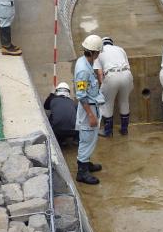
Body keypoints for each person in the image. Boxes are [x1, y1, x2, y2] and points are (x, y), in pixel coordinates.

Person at [74, 35, 105, 185]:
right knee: (86, 139)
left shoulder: (85, 61)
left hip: (92, 107)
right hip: (88, 109)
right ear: (94, 53)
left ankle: (85, 163)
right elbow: (81, 95)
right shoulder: (83, 71)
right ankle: (82, 172)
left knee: (90, 139)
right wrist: (91, 115)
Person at [94, 37, 133, 137]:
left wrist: (104, 86)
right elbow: (128, 65)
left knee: (107, 103)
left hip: (111, 75)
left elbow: (99, 73)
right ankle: (124, 130)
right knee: (124, 101)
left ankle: (108, 132)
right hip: (127, 75)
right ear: (112, 43)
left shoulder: (99, 52)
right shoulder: (120, 49)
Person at [44, 82, 79, 146]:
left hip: (58, 131)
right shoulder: (72, 102)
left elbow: (46, 106)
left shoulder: (53, 100)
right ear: (68, 92)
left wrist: (51, 93)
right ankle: (76, 140)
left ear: (57, 91)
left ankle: (60, 141)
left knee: (51, 117)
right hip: (73, 131)